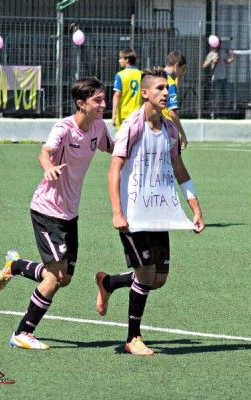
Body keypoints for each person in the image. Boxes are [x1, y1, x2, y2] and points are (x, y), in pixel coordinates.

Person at [0, 76, 113, 350]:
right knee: (55, 277)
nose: (103, 105)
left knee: (64, 278)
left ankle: (16, 266)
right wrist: (48, 167)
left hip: (70, 213)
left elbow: (113, 148)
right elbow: (45, 152)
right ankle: (23, 333)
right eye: (97, 100)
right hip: (47, 210)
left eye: (104, 99)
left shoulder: (99, 127)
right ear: (81, 104)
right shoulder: (64, 128)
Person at [95, 66, 204, 356]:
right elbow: (113, 170)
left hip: (159, 214)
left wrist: (195, 208)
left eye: (167, 88)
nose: (166, 93)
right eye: (160, 88)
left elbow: (179, 168)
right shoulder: (131, 127)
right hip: (132, 215)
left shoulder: (170, 129)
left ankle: (108, 282)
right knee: (145, 273)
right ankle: (133, 338)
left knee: (158, 279)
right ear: (145, 93)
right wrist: (117, 212)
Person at [163, 50, 188, 150]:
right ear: (177, 65)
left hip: (152, 127)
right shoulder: (170, 83)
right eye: (183, 69)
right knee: (175, 159)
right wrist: (183, 134)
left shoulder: (155, 77)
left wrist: (180, 76)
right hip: (166, 129)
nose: (183, 72)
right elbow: (172, 113)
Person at [111, 49, 142, 131]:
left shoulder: (120, 75)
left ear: (127, 60)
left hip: (123, 115)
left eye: (121, 58)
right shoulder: (141, 74)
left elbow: (117, 94)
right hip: (138, 114)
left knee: (122, 138)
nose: (119, 61)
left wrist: (113, 114)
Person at [202, 45, 235, 119]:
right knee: (215, 98)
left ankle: (224, 114)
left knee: (226, 98)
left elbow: (226, 61)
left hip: (224, 79)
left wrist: (234, 58)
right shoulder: (210, 54)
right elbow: (204, 65)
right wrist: (212, 61)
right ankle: (214, 114)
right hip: (216, 79)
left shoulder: (222, 53)